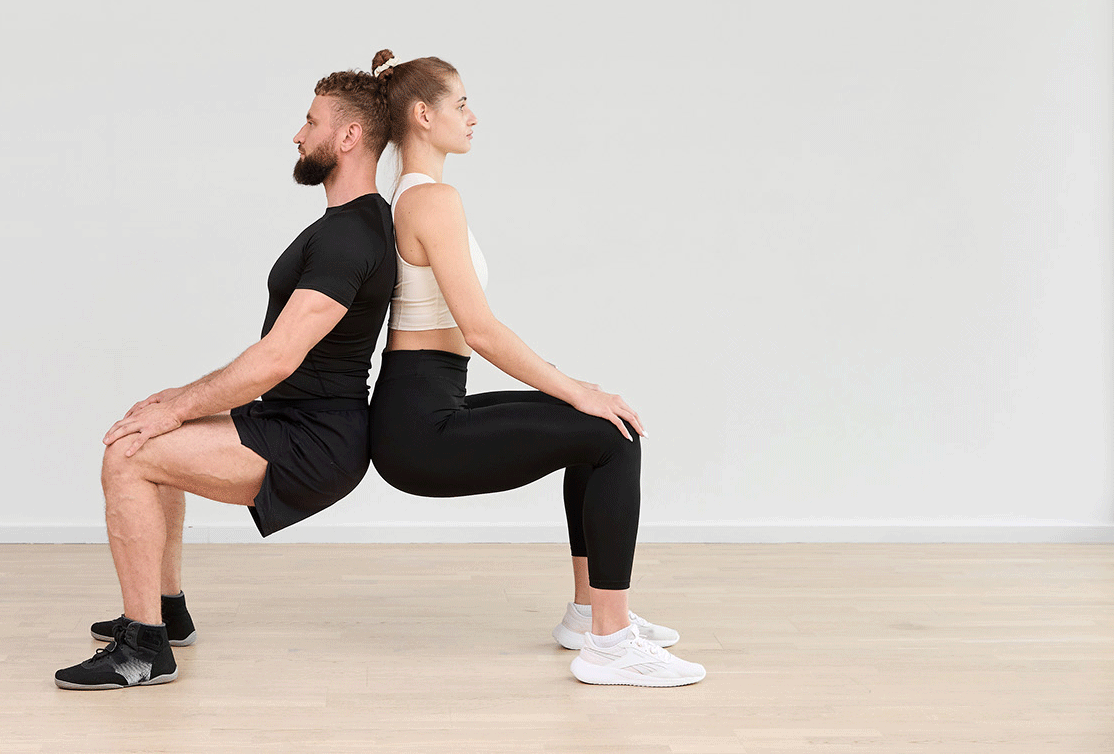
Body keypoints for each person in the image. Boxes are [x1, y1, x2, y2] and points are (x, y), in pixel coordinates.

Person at [365, 49, 706, 687]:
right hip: (420, 429)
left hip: (425, 405)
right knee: (612, 436)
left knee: (595, 427)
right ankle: (610, 643)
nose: (473, 116)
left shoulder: (411, 196)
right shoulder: (433, 199)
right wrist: (574, 388)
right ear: (424, 115)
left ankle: (590, 614)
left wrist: (573, 391)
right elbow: (480, 330)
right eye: (461, 103)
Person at [54, 68, 397, 690]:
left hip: (315, 441)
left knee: (128, 454)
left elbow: (275, 359)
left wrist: (179, 407)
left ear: (349, 136)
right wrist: (177, 402)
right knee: (155, 435)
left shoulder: (350, 237)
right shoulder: (351, 225)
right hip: (296, 421)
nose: (298, 134)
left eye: (311, 122)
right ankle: (166, 612)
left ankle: (143, 650)